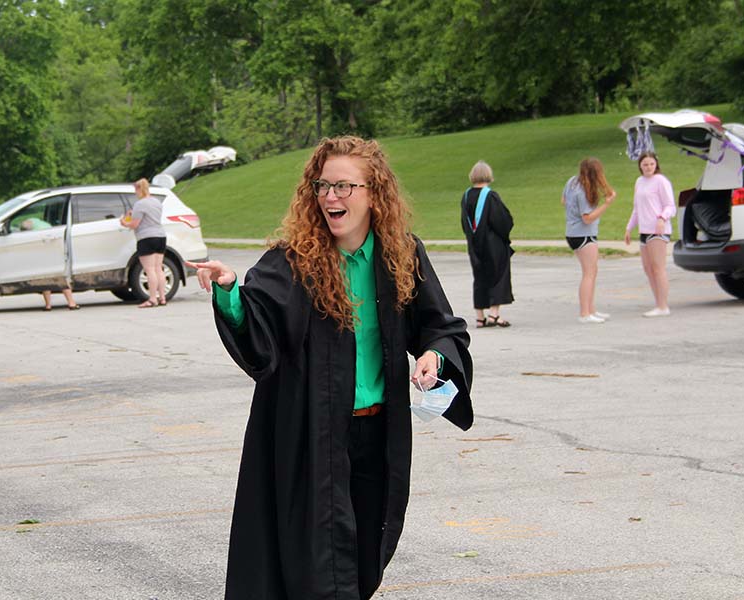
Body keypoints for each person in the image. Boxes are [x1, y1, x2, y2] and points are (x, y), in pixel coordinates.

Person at [187, 136, 474, 600]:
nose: (329, 197)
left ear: (374, 192)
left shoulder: (401, 254)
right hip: (310, 435)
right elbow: (259, 328)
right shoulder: (294, 261)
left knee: (362, 558)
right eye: (322, 186)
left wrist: (433, 356)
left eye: (344, 186)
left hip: (377, 436)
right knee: (316, 565)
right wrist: (230, 291)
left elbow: (443, 327)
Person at [460, 161, 514, 328]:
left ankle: (480, 317)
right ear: (488, 175)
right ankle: (494, 314)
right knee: (498, 277)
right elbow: (502, 221)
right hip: (493, 245)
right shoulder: (490, 196)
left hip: (474, 244)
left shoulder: (466, 196)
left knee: (479, 278)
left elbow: (464, 222)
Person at [563, 158, 616, 324]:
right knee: (589, 273)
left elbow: (563, 201)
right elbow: (587, 218)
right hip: (584, 234)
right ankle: (585, 313)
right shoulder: (583, 191)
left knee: (592, 271)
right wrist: (606, 204)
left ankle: (591, 310)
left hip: (572, 232)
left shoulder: (572, 181)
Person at [624, 151, 676, 317]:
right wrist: (629, 228)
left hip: (658, 230)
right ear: (640, 165)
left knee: (658, 268)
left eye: (651, 164)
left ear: (656, 165)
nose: (648, 167)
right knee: (648, 269)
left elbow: (670, 206)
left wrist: (662, 217)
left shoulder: (661, 181)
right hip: (644, 230)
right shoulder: (639, 182)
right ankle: (658, 303)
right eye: (645, 164)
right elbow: (636, 208)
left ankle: (663, 306)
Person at [121, 178, 168, 307]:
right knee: (159, 268)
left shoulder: (140, 204)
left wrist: (124, 222)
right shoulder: (156, 202)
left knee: (149, 269)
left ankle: (152, 298)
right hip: (160, 236)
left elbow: (135, 224)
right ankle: (162, 297)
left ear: (138, 189)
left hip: (146, 237)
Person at [19, 219, 79, 310]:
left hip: (45, 254)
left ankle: (48, 305)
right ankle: (71, 303)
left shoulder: (34, 232)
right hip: (52, 253)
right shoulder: (42, 225)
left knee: (46, 279)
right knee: (60, 278)